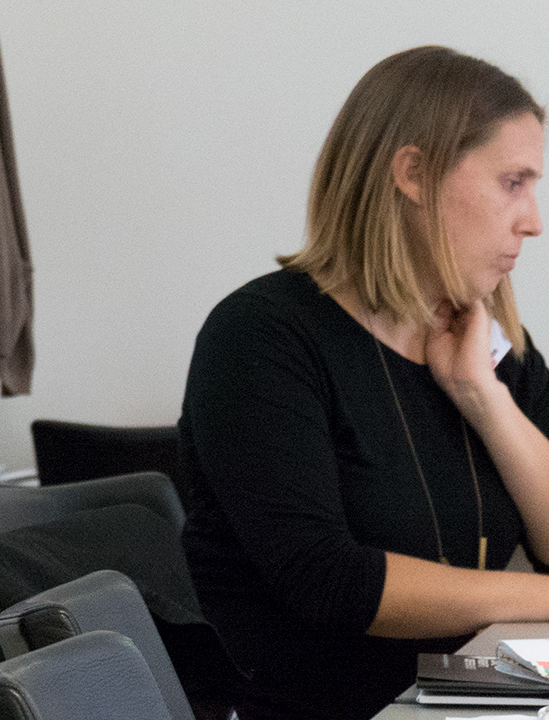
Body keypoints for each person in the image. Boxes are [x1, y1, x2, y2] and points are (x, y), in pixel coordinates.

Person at [179, 46, 549, 720]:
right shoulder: (260, 335)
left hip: (462, 699)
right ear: (414, 173)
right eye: (513, 182)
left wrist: (483, 397)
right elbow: (330, 580)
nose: (533, 220)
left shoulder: (487, 346)